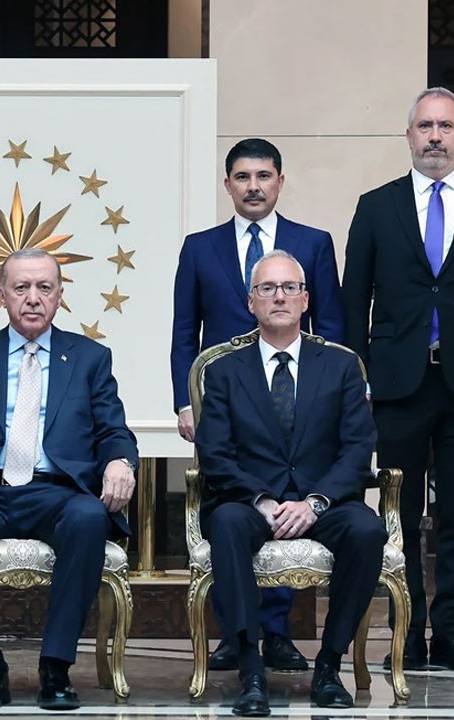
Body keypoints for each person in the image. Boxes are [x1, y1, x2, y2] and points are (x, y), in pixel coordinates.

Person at [0, 248, 139, 711]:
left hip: (57, 492)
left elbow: (113, 430)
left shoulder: (90, 358)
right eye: (21, 288)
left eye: (44, 288)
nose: (33, 298)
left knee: (89, 517)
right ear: (1, 296)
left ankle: (55, 666)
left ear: (59, 296)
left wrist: (120, 461)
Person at [343, 87, 454, 672]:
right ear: (409, 136)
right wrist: (358, 379)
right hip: (397, 386)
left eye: (446, 127)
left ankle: (449, 635)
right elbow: (353, 301)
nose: (435, 137)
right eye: (425, 126)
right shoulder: (377, 206)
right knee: (398, 518)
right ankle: (408, 633)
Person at [171, 138, 344, 672]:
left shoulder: (312, 243)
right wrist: (185, 402)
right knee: (233, 510)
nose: (253, 187)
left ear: (280, 181)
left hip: (294, 400)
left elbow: (331, 326)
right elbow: (184, 332)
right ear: (227, 185)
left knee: (288, 499)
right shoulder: (200, 248)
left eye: (263, 176)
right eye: (243, 177)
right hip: (227, 407)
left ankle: (278, 632)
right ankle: (235, 632)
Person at [197, 250, 385, 715]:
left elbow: (357, 448)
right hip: (249, 501)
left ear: (305, 300)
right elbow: (215, 455)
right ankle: (250, 669)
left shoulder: (341, 366)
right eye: (267, 288)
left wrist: (315, 502)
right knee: (226, 524)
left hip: (324, 500)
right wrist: (261, 500)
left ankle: (329, 665)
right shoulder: (223, 372)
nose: (279, 297)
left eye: (289, 288)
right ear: (251, 303)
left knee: (367, 530)